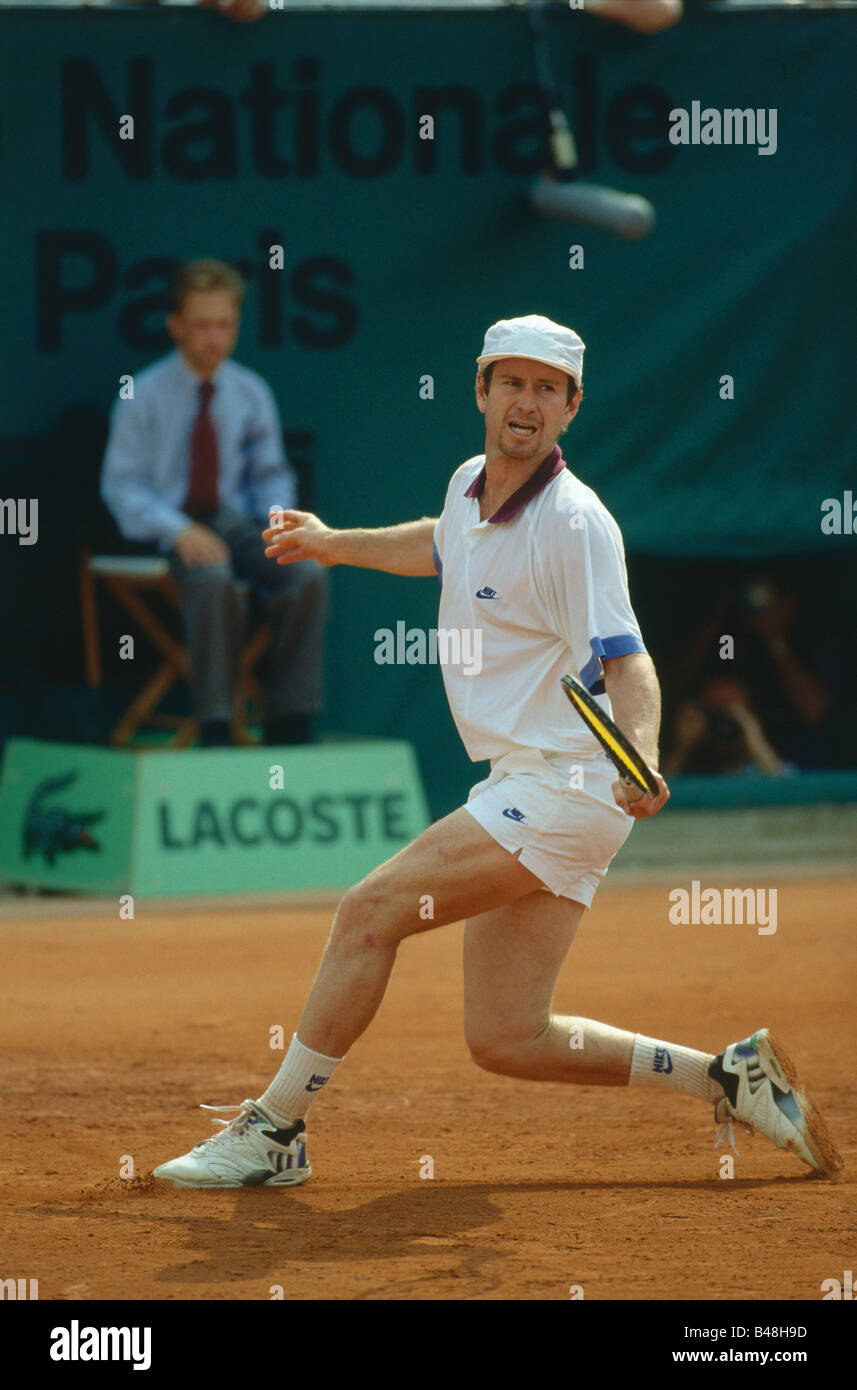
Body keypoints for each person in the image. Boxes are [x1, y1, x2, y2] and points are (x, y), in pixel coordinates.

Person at [153, 315, 842, 1187]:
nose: (526, 401)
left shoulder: (575, 523)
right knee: (507, 1037)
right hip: (529, 780)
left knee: (369, 912)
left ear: (570, 407)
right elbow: (440, 544)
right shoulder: (469, 482)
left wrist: (642, 749)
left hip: (568, 784)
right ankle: (728, 1076)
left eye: (546, 388)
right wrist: (332, 544)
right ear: (480, 390)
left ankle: (276, 1132)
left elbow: (628, 661)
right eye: (511, 382)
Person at [101, 259, 327, 747]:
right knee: (211, 578)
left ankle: (291, 720)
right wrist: (178, 531)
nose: (214, 337)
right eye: (202, 325)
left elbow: (270, 474)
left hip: (232, 521)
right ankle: (217, 725)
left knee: (305, 571)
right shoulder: (140, 393)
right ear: (175, 325)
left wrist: (278, 522)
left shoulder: (249, 391)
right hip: (162, 528)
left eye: (224, 324)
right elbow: (122, 485)